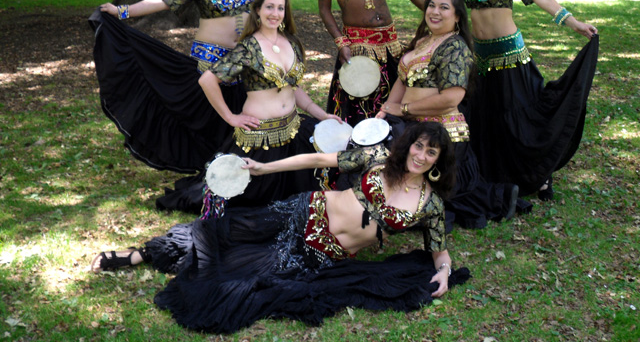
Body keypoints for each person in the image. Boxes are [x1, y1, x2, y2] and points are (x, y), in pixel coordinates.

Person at [90, 122, 470, 334]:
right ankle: (140, 254)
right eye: (418, 146)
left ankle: (174, 264)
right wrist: (264, 168)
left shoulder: (429, 205)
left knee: (246, 273)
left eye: (430, 152)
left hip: (320, 252)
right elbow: (321, 157)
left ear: (439, 160)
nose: (420, 155)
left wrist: (443, 272)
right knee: (232, 227)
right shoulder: (379, 156)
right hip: (304, 211)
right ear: (408, 146)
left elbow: (439, 250)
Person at [89, 0, 314, 173]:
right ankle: (214, 167)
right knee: (212, 117)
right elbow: (161, 0)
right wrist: (122, 11)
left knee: (248, 112)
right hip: (211, 58)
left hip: (245, 57)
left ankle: (248, 166)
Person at [404, 0, 599, 200]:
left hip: (510, 56)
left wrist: (572, 21)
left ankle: (540, 175)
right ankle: (494, 171)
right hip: (480, 59)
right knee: (488, 120)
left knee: (520, 119)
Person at [159, 0, 342, 215]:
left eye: (280, 8)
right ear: (257, 10)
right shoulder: (248, 48)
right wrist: (231, 117)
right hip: (260, 137)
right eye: (269, 7)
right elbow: (207, 80)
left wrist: (321, 114)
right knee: (243, 199)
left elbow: (293, 89)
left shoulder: (292, 42)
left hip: (293, 130)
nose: (274, 13)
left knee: (316, 183)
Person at [377, 0, 527, 230]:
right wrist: (386, 111)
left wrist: (404, 109)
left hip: (441, 131)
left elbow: (452, 98)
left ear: (457, 16)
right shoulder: (424, 41)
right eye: (432, 5)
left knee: (428, 193)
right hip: (414, 122)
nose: (435, 12)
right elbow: (401, 80)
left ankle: (498, 197)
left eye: (444, 8)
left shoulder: (455, 47)